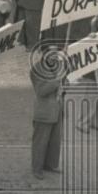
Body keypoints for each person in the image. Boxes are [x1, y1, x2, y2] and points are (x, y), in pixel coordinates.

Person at [30, 47, 64, 180]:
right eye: (51, 54)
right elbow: (41, 91)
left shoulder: (58, 67)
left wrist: (65, 85)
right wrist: (57, 82)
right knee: (40, 141)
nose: (54, 57)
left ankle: (49, 164)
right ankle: (36, 168)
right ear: (44, 54)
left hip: (57, 109)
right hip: (44, 110)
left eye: (56, 54)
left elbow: (62, 84)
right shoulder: (37, 70)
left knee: (54, 140)